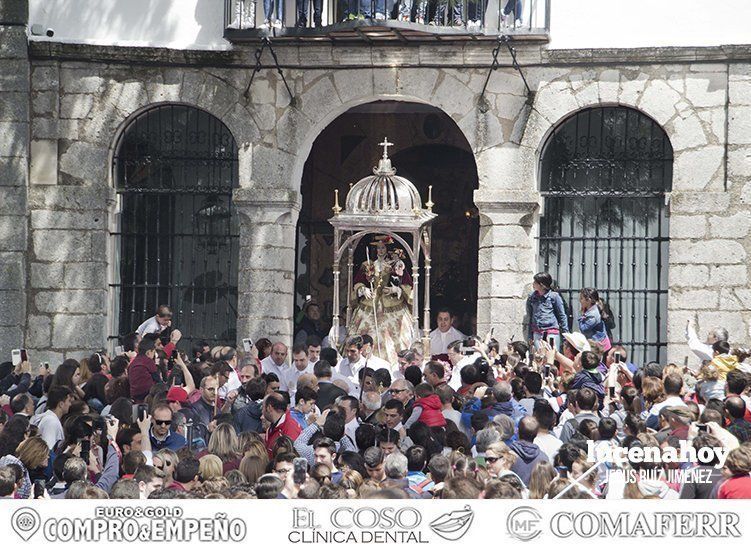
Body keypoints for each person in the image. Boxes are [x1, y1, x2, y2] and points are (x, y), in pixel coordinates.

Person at [348, 236, 416, 365]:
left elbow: (407, 284)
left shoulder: (396, 264)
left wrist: (396, 290)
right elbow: (357, 282)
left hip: (391, 304)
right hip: (370, 303)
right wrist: (363, 290)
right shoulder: (367, 264)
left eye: (383, 248)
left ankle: (394, 362)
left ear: (387, 249)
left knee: (393, 336)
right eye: (378, 248)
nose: (380, 250)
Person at [527, 272, 568, 350]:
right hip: (537, 332)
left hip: (551, 331)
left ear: (541, 285)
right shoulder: (532, 297)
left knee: (552, 355)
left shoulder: (554, 296)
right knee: (539, 356)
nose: (533, 284)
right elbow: (531, 316)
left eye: (535, 282)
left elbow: (562, 315)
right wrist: (530, 335)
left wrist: (565, 335)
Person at [30, 385, 73, 450]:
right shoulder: (51, 422)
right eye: (69, 401)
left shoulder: (50, 418)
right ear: (61, 404)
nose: (70, 404)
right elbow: (48, 449)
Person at [578, 288, 611, 352]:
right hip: (596, 344)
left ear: (589, 300)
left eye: (582, 298)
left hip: (600, 345)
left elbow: (584, 328)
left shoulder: (593, 314)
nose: (580, 300)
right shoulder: (589, 310)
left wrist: (581, 316)